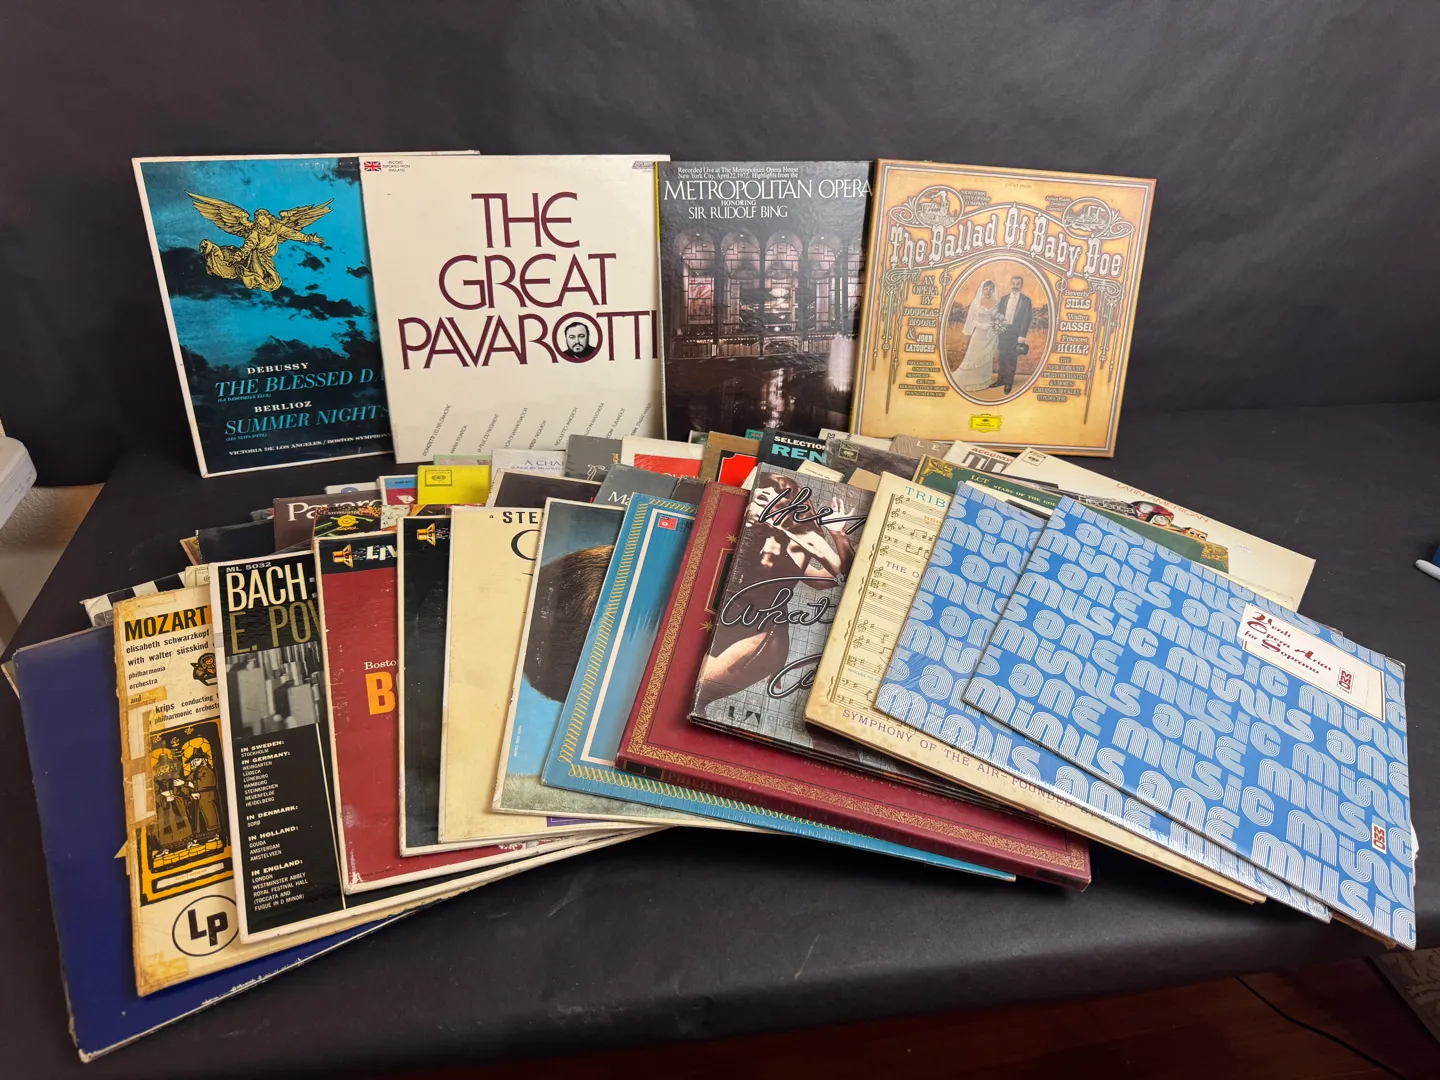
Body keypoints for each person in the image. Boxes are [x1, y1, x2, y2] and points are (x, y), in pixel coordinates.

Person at [951, 280, 998, 392]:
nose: (988, 291)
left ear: (993, 290)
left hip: (990, 335)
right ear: (982, 289)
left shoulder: (997, 303)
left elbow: (997, 318)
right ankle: (967, 380)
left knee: (986, 358)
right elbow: (972, 319)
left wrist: (992, 326)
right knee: (973, 357)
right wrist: (982, 326)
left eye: (991, 289)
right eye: (986, 289)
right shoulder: (976, 302)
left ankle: (983, 380)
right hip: (979, 333)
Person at [990, 274, 1033, 393]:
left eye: (1018, 284)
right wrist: (997, 328)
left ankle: (1008, 383)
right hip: (1003, 331)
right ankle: (1000, 380)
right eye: (1013, 283)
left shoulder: (1026, 300)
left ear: (1021, 285)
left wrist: (1022, 335)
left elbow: (1027, 318)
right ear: (1010, 284)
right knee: (1002, 356)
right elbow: (999, 314)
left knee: (1011, 358)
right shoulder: (1004, 299)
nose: (1015, 286)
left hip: (1016, 333)